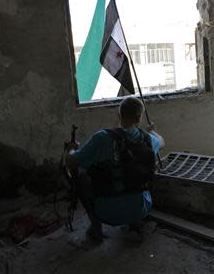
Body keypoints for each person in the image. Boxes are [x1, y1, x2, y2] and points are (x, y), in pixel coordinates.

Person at [65, 97, 164, 241]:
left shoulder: (102, 138)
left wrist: (71, 150)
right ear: (139, 118)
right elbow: (162, 141)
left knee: (80, 176)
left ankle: (96, 227)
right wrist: (152, 131)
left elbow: (71, 163)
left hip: (108, 212)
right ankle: (134, 224)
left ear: (119, 114)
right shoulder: (148, 139)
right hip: (142, 207)